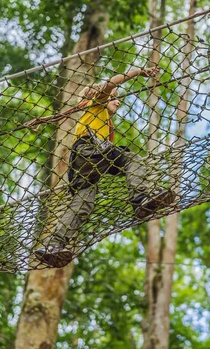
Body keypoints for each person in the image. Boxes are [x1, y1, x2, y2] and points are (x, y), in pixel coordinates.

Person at [31, 66, 175, 268]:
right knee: (130, 158)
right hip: (89, 150)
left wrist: (42, 120)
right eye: (115, 98)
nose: (118, 102)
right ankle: (141, 198)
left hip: (84, 165)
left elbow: (66, 114)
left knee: (83, 204)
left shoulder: (96, 115)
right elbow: (111, 83)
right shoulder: (98, 102)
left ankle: (51, 244)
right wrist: (138, 72)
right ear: (104, 96)